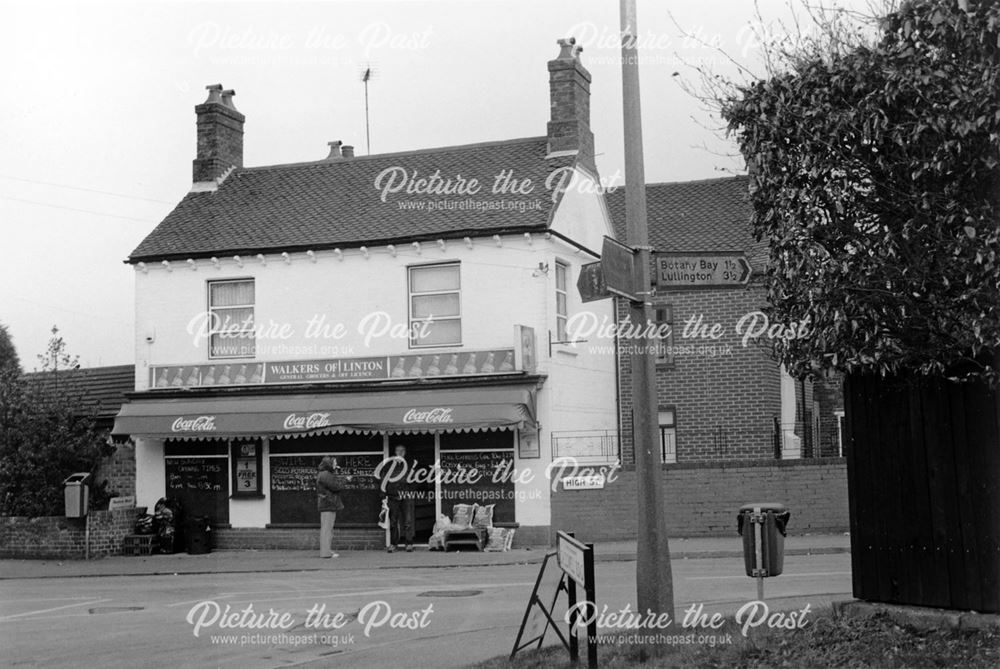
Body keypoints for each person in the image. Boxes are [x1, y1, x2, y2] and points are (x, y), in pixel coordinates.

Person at [381, 444, 415, 553]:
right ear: (395, 452)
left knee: (408, 521)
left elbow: (414, 480)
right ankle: (393, 544)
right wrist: (383, 495)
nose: (400, 452)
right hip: (393, 497)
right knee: (393, 522)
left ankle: (409, 543)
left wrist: (409, 492)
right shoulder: (389, 465)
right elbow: (383, 480)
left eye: (402, 450)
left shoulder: (409, 465)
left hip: (406, 497)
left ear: (405, 452)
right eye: (398, 450)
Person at [317, 456, 346, 558]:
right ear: (328, 464)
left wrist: (336, 473)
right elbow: (336, 487)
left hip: (328, 504)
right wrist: (345, 480)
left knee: (328, 529)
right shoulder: (326, 475)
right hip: (328, 504)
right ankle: (325, 553)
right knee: (327, 530)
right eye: (334, 463)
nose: (335, 464)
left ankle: (327, 550)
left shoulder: (325, 474)